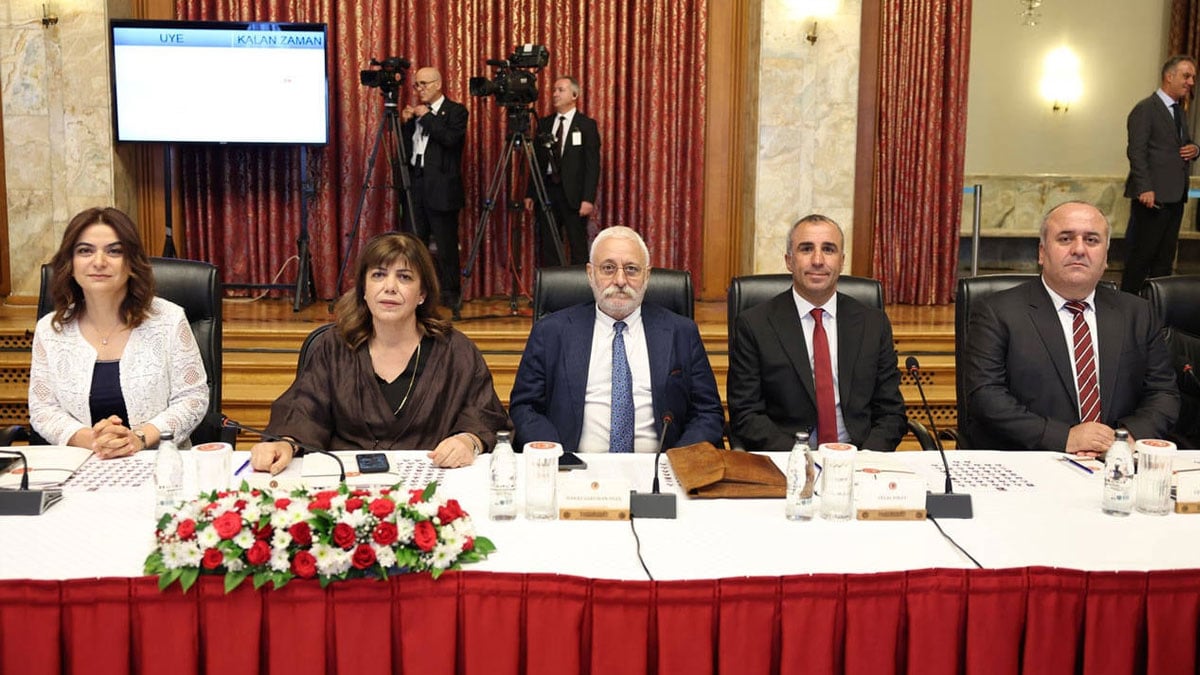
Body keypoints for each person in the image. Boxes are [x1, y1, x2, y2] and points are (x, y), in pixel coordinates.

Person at [250, 233, 509, 474]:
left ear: (422, 294)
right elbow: (304, 408)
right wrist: (286, 442)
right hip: (346, 486)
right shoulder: (334, 347)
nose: (390, 287)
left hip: (431, 481)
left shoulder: (455, 351)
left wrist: (468, 441)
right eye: (378, 275)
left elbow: (485, 416)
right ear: (363, 288)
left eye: (404, 277)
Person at [963, 201, 1179, 455]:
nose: (1079, 249)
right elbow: (986, 396)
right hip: (1031, 459)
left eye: (1091, 240)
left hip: (1117, 460)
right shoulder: (996, 311)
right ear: (1042, 252)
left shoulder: (1138, 313)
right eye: (1065, 239)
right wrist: (1064, 438)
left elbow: (1163, 393)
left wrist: (1125, 440)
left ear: (1106, 257)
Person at [509, 226, 724, 453]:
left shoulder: (681, 332)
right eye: (608, 268)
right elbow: (525, 407)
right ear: (590, 274)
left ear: (647, 276)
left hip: (659, 468)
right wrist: (556, 457)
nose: (620, 280)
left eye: (631, 269)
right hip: (572, 466)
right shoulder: (551, 332)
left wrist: (679, 460)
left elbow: (707, 412)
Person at [28, 207, 209, 456]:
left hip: (157, 461)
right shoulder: (50, 330)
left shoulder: (169, 320)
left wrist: (138, 439)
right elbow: (43, 409)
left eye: (114, 251)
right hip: (78, 464)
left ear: (131, 262)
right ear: (70, 263)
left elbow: (193, 398)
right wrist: (94, 441)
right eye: (85, 251)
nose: (99, 262)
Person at [726, 215, 907, 451]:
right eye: (806, 249)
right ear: (789, 261)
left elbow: (891, 413)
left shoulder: (873, 324)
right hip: (788, 458)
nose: (818, 260)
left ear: (842, 261)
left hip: (858, 458)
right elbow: (746, 415)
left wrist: (865, 458)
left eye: (828, 249)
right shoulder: (754, 325)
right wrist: (802, 460)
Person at [1121, 54, 1198, 294]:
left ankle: (1158, 306)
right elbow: (1136, 151)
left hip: (1175, 197)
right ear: (1169, 76)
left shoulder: (1179, 111)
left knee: (1164, 258)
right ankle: (1128, 305)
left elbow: (1183, 144)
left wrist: (1195, 149)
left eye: (1193, 77)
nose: (1191, 82)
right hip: (1151, 197)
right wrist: (1145, 187)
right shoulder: (1145, 109)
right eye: (1187, 76)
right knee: (1141, 256)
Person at [401, 66, 469, 318]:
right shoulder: (417, 113)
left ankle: (451, 294)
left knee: (446, 244)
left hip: (442, 189)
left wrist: (427, 117)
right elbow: (405, 149)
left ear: (438, 84)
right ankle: (415, 292)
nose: (420, 89)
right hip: (416, 183)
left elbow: (451, 140)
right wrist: (406, 123)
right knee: (414, 242)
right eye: (417, 84)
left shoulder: (456, 111)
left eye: (424, 84)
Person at [524, 76, 601, 266]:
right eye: (554, 90)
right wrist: (531, 193)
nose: (555, 94)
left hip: (574, 195)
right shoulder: (544, 124)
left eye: (561, 90)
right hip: (548, 191)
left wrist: (588, 198)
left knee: (577, 244)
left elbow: (592, 165)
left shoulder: (586, 125)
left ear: (574, 95)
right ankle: (554, 283)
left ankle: (580, 283)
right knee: (549, 244)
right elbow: (536, 162)